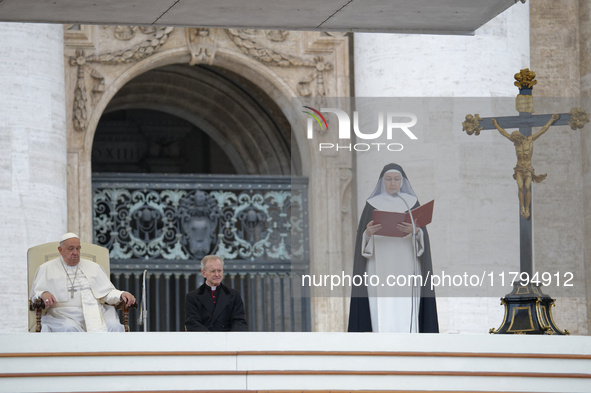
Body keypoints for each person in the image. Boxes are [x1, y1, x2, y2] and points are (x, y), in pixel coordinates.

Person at [348, 163, 438, 333]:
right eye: (388, 179)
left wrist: (416, 231)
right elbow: (362, 242)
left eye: (397, 179)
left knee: (407, 307)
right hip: (379, 267)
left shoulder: (411, 203)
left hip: (407, 266)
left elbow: (423, 241)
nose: (392, 183)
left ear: (402, 182)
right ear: (382, 181)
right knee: (380, 307)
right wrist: (367, 234)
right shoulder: (372, 204)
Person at [29, 233, 136, 332]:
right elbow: (36, 293)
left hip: (96, 312)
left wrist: (121, 294)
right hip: (62, 315)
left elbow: (107, 293)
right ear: (60, 250)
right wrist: (43, 294)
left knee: (114, 326)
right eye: (71, 249)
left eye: (78, 248)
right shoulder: (46, 268)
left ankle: (111, 353)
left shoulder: (94, 267)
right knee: (69, 328)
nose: (75, 252)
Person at [490, 114, 559, 219]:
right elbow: (503, 133)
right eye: (514, 141)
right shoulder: (515, 142)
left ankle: (527, 209)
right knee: (520, 187)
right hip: (518, 169)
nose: (515, 142)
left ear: (519, 137)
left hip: (527, 169)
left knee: (527, 187)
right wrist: (495, 124)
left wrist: (551, 120)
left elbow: (542, 130)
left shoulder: (530, 140)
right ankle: (522, 208)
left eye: (516, 140)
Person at [185, 255, 248, 331]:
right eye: (213, 271)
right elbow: (192, 322)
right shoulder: (192, 297)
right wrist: (211, 338)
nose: (217, 274)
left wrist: (230, 339)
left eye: (219, 270)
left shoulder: (234, 295)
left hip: (227, 340)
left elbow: (239, 321)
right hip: (205, 340)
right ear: (204, 273)